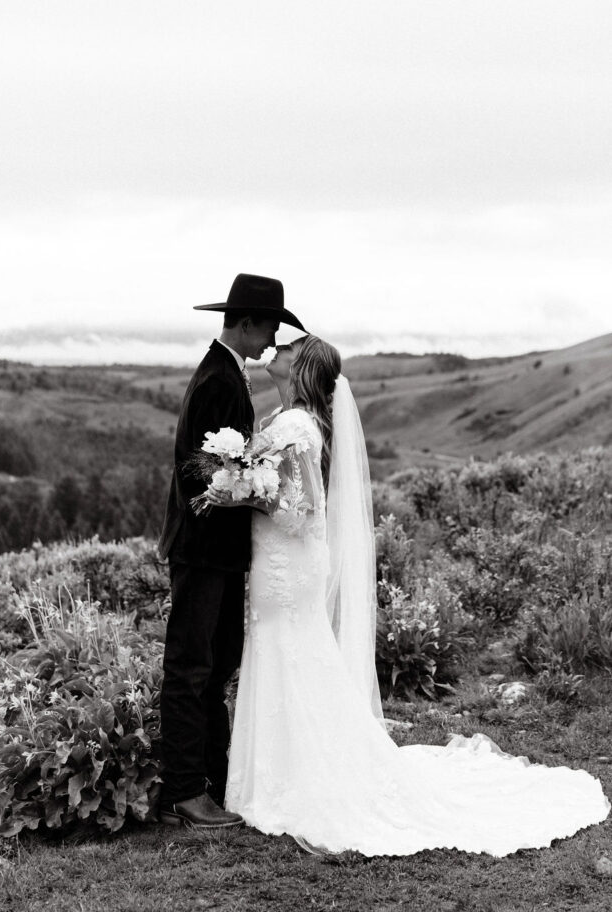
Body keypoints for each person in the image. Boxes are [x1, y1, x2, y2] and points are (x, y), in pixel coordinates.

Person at [207, 334, 610, 856]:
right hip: (281, 562)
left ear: (301, 367)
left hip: (288, 563)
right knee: (285, 652)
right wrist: (251, 490)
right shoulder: (284, 421)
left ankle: (299, 778)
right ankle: (281, 772)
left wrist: (242, 498)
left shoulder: (296, 425)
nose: (275, 353)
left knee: (290, 651)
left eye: (286, 350)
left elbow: (299, 512)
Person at [158, 273, 305, 829]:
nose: (272, 338)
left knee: (215, 665)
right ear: (245, 323)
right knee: (191, 668)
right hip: (202, 549)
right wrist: (254, 485)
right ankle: (183, 792)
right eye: (269, 326)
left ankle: (212, 782)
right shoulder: (218, 378)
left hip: (217, 550)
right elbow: (200, 473)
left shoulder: (228, 372)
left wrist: (250, 478)